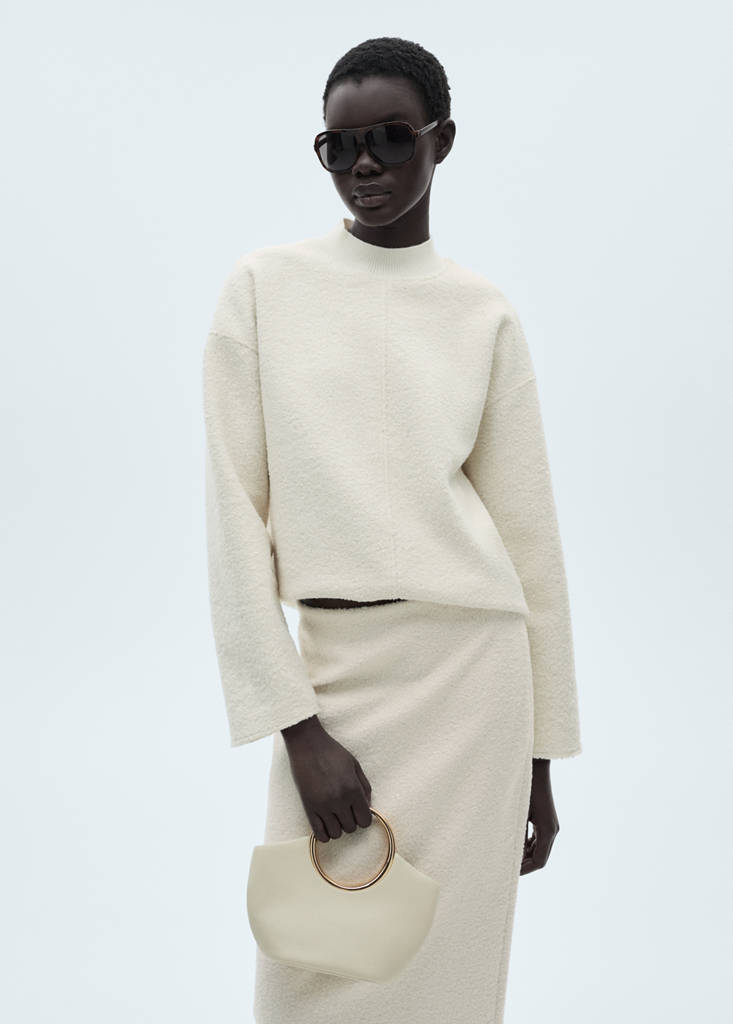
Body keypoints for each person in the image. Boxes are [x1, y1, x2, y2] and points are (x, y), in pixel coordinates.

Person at [202, 34, 582, 1024]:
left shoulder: (482, 315)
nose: (363, 165)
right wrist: (296, 728)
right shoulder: (263, 290)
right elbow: (233, 521)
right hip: (333, 677)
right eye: (339, 147)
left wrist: (538, 759)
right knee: (310, 967)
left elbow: (531, 544)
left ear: (440, 141)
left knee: (448, 979)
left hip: (472, 687)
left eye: (391, 139)